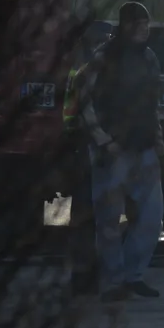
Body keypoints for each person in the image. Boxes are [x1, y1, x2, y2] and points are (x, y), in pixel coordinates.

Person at [78, 1, 164, 301]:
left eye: (146, 24)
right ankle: (113, 280)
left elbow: (152, 103)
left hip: (143, 150)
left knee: (152, 218)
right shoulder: (103, 58)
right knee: (109, 222)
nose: (144, 29)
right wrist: (103, 140)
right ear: (125, 26)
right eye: (138, 24)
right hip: (112, 154)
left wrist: (158, 137)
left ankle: (132, 276)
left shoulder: (150, 58)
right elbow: (82, 99)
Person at [62, 19, 115, 295]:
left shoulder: (82, 61)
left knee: (87, 212)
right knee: (93, 211)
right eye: (105, 37)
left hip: (83, 143)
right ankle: (89, 275)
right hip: (90, 144)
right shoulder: (91, 65)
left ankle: (85, 275)